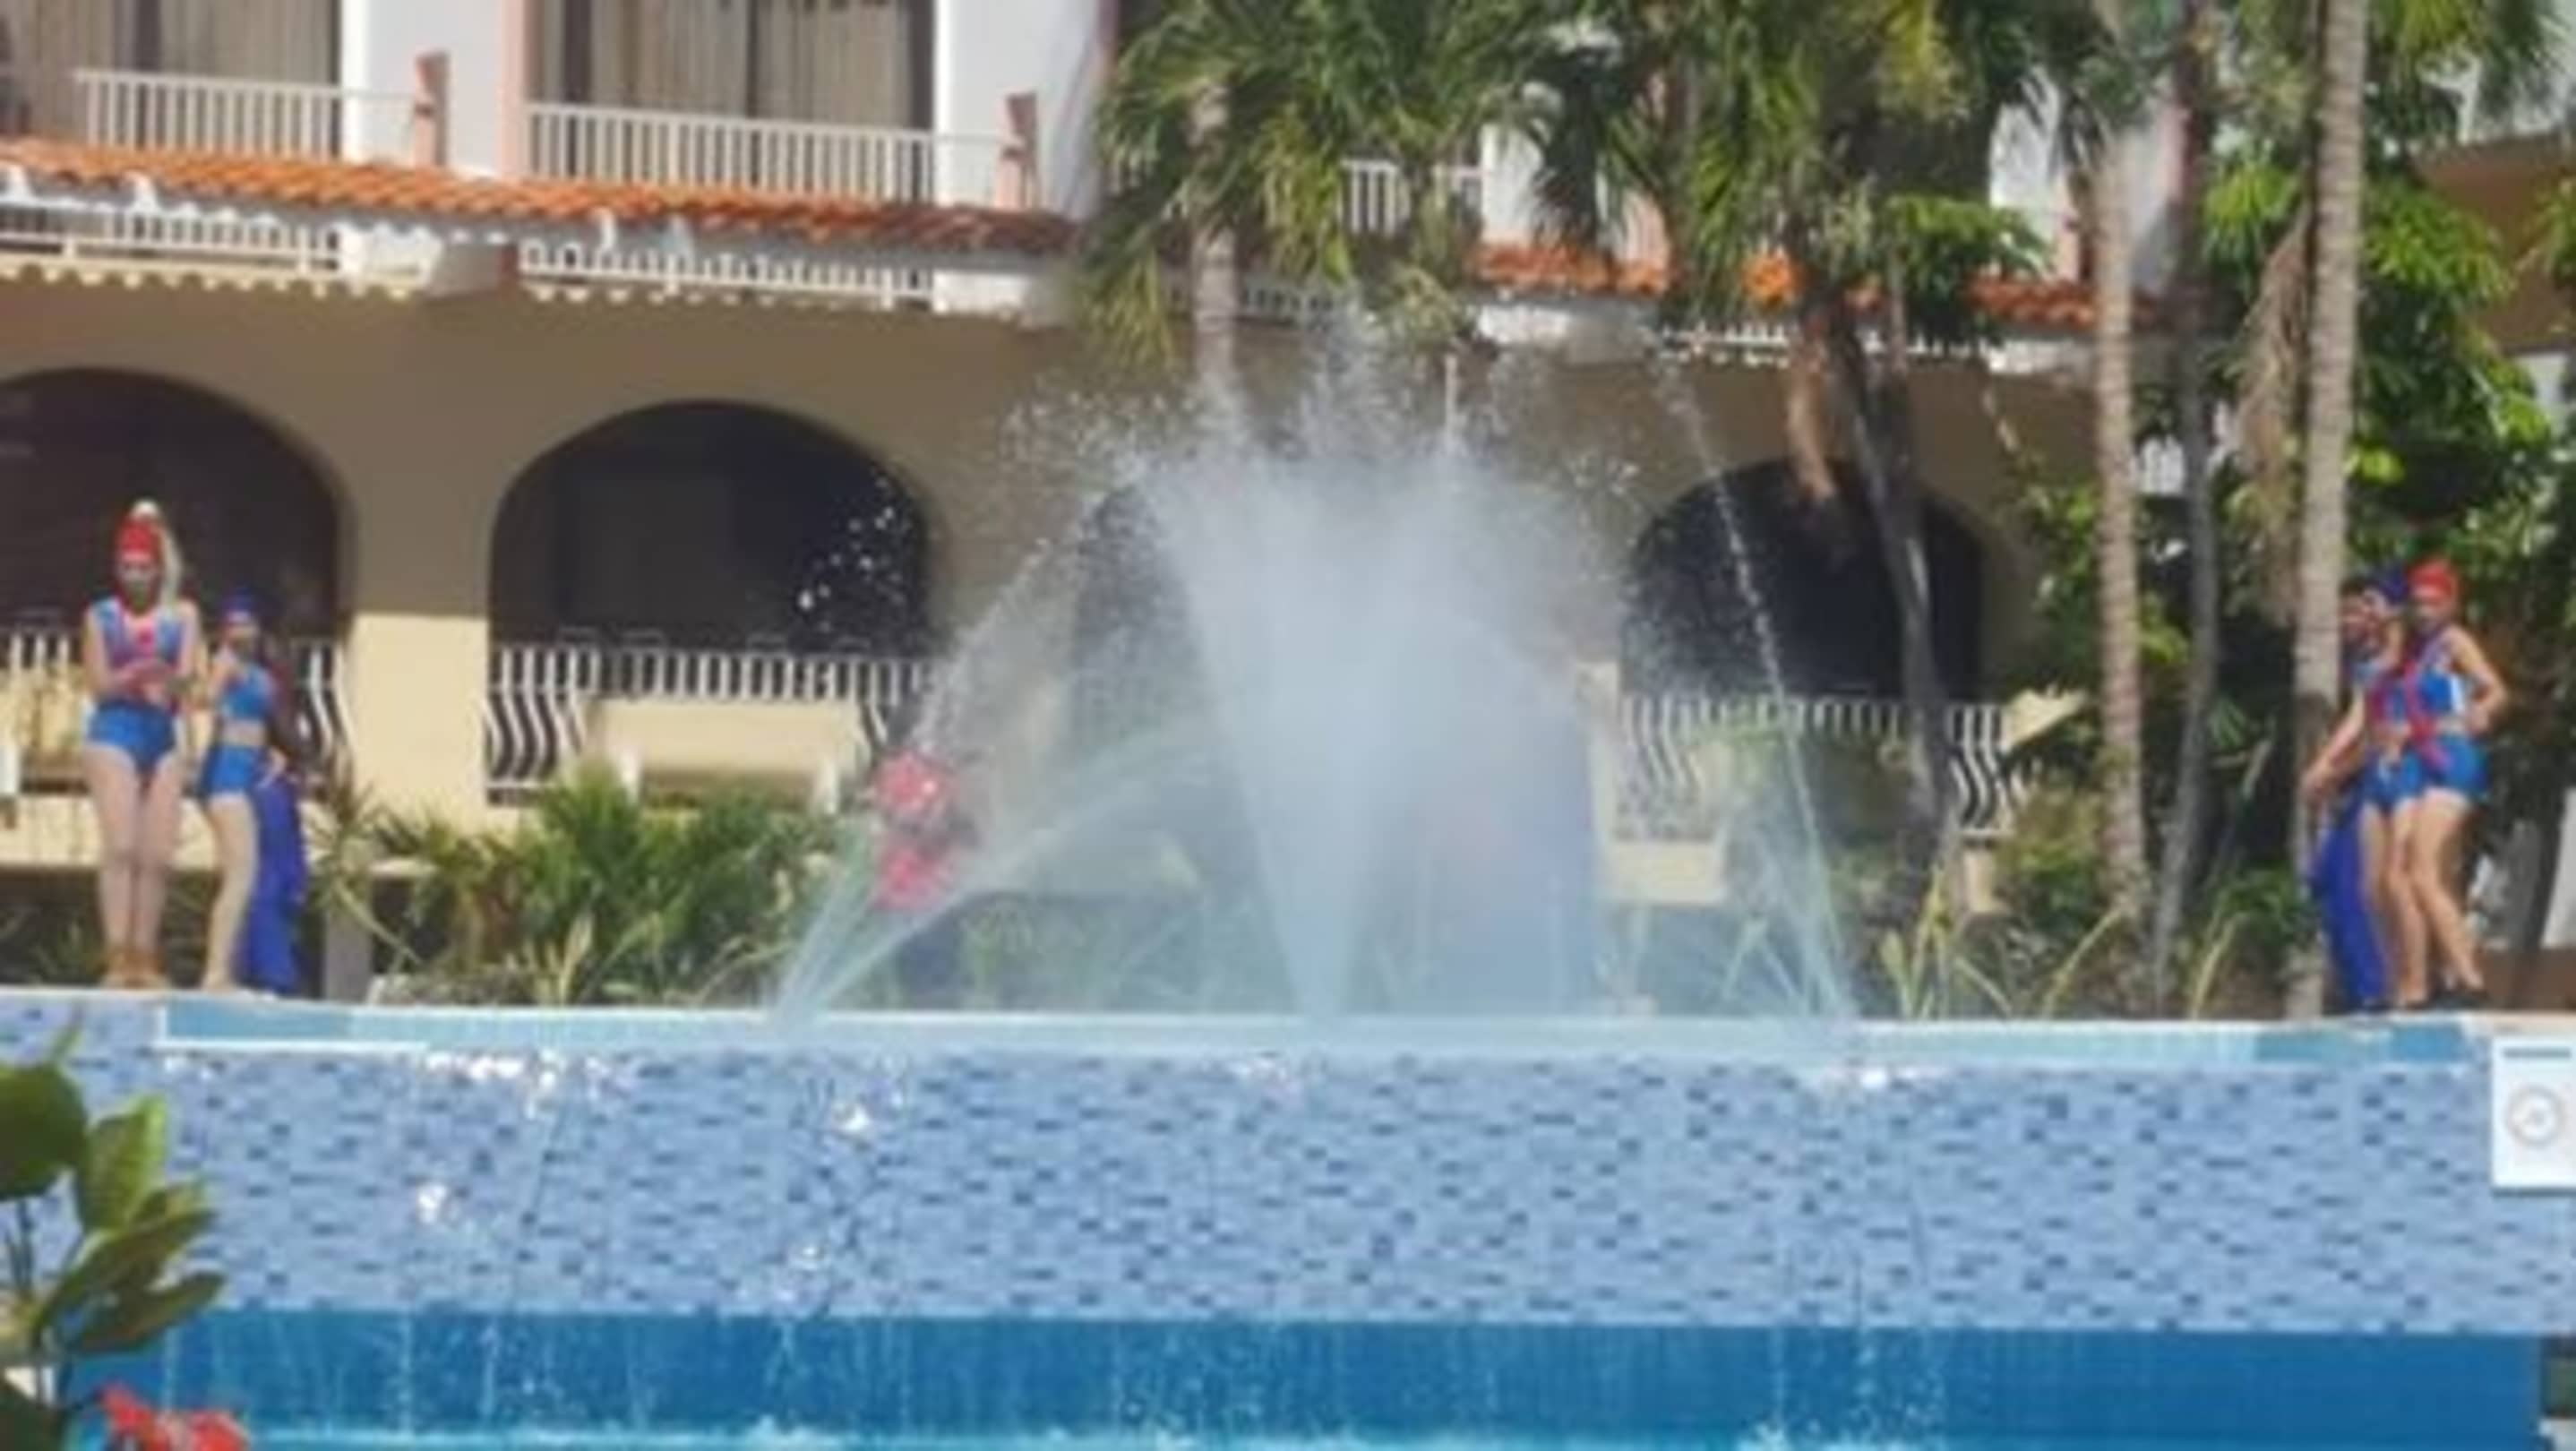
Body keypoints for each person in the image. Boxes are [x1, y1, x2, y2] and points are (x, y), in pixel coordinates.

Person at [81, 502, 201, 992]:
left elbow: (188, 680)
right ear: (117, 568)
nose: (134, 577)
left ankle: (145, 957)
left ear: (157, 569)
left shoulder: (182, 616)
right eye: (127, 568)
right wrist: (130, 676)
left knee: (158, 856)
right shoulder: (100, 616)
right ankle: (116, 958)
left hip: (161, 733)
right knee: (122, 847)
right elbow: (97, 686)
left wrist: (167, 679)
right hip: (115, 730)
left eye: (143, 568)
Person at [2387, 558, 2508, 1008]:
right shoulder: (2413, 653)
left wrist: (2481, 712)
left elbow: (2496, 689)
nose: (2424, 612)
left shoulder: (2454, 641)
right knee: (2411, 874)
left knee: (2423, 872)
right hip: (2418, 761)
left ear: (2451, 604)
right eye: (2418, 603)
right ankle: (2433, 981)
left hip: (2450, 758)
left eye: (2433, 603)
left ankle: (2471, 980)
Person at [2299, 571, 2407, 1012]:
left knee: (2355, 884)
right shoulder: (2366, 662)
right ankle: (2359, 987)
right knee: (2326, 881)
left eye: (2363, 608)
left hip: (2385, 783)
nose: (2352, 619)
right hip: (2360, 781)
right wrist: (2325, 764)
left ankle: (2376, 988)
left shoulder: (2399, 664)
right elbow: (2359, 718)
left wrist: (2332, 772)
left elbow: (2379, 735)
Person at [197, 591, 303, 994]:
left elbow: (264, 724)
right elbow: (208, 697)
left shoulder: (261, 675)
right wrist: (213, 700)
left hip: (245, 775)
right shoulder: (226, 662)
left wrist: (274, 753)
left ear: (258, 628)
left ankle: (223, 970)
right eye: (233, 624)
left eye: (246, 623)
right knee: (241, 876)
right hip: (224, 778)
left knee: (242, 876)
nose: (240, 630)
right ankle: (215, 974)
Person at [871, 698, 974, 1006]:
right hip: (905, 901)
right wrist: (942, 807)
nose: (945, 734)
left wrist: (954, 809)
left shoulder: (950, 778)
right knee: (917, 990)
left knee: (946, 991)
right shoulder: (898, 773)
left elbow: (971, 836)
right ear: (916, 733)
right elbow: (917, 829)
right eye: (936, 726)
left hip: (942, 901)